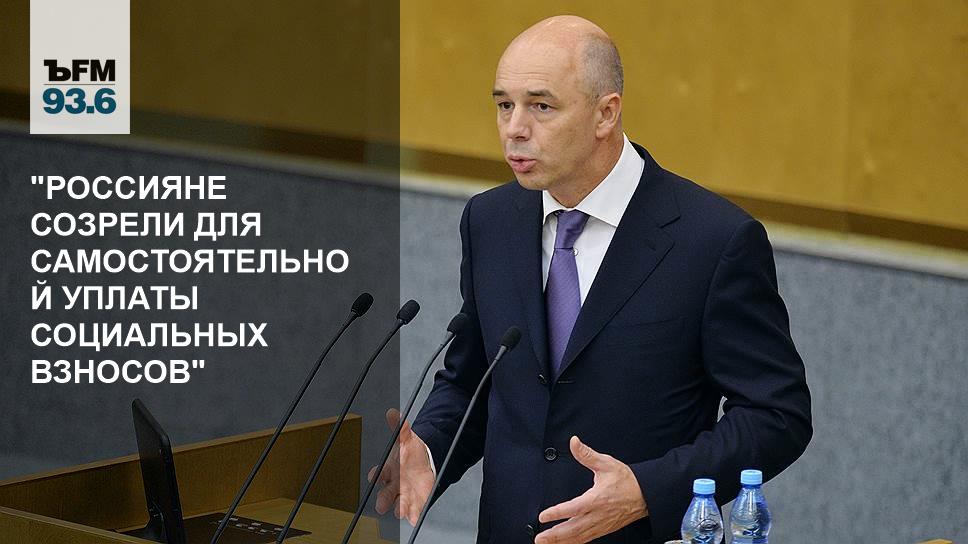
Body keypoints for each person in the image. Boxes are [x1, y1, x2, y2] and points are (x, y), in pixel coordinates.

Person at [371, 15, 812, 544]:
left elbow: (776, 414)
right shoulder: (490, 220)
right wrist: (430, 447)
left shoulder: (712, 241)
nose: (514, 128)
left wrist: (649, 490)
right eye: (504, 105)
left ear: (606, 113)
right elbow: (475, 379)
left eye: (541, 106)